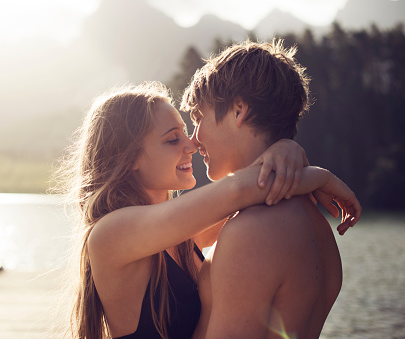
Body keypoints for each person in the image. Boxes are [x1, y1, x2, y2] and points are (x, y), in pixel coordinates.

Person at [55, 81, 360, 339]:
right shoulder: (111, 234)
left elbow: (248, 197)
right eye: (173, 139)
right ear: (130, 157)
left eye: (185, 133)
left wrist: (286, 149)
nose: (191, 145)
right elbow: (238, 190)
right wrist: (320, 176)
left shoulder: (179, 235)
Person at [180, 39, 360, 339]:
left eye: (199, 118)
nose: (194, 139)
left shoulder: (252, 230)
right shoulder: (317, 226)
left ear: (239, 110)